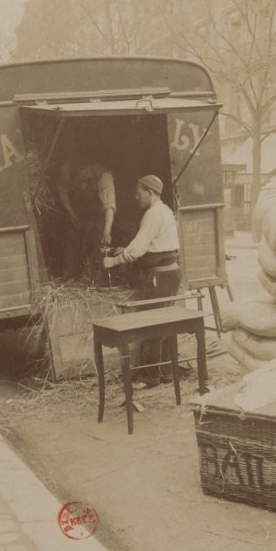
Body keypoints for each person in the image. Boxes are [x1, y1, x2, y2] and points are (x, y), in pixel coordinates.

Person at [103, 174, 181, 387]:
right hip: (171, 273)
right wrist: (127, 249)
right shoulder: (164, 211)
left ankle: (150, 375)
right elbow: (149, 243)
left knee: (151, 324)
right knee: (165, 322)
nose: (136, 198)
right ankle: (166, 372)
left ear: (150, 192)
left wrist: (114, 260)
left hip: (158, 275)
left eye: (139, 194)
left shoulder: (153, 215)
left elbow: (138, 249)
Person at [55, 160, 117, 280]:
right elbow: (62, 191)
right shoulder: (66, 170)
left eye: (86, 172)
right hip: (77, 209)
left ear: (93, 166)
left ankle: (98, 274)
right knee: (72, 237)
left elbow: (109, 205)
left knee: (98, 239)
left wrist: (107, 230)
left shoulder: (104, 176)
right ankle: (70, 273)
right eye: (79, 171)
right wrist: (71, 213)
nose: (82, 176)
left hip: (97, 211)